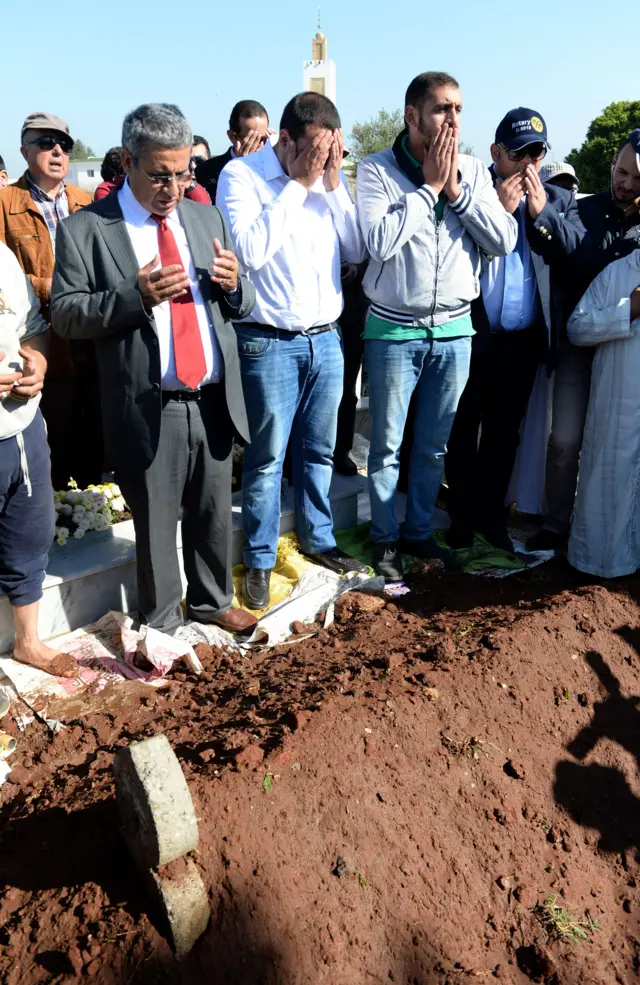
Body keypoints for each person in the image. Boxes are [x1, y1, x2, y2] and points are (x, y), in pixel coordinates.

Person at [51, 103, 258, 638]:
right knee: (157, 522)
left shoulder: (204, 216)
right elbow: (67, 314)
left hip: (211, 397)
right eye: (160, 175)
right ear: (127, 161)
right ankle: (162, 622)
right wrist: (132, 297)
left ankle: (212, 602)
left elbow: (244, 300)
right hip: (149, 403)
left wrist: (236, 286)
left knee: (214, 512)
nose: (173, 187)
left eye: (183, 172)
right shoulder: (88, 230)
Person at [356, 71, 518, 582]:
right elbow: (379, 243)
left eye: (459, 109)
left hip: (454, 329)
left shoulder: (471, 170)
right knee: (385, 445)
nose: (453, 119)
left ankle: (419, 531)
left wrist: (457, 191)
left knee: (434, 445)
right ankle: (385, 538)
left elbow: (504, 240)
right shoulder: (376, 171)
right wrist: (428, 188)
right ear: (412, 116)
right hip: (393, 330)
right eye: (442, 109)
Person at [217, 91, 367, 610]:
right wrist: (299, 186)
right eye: (316, 150)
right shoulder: (242, 177)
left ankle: (319, 540)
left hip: (326, 336)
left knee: (320, 451)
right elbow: (248, 252)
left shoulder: (326, 179)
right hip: (269, 341)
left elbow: (356, 250)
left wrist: (333, 184)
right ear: (286, 140)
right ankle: (259, 558)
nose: (324, 159)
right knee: (266, 459)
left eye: (332, 151)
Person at [445, 109, 586, 552]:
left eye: (538, 153)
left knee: (505, 436)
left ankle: (492, 518)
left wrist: (541, 216)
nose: (529, 163)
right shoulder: (472, 189)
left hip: (523, 343)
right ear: (495, 152)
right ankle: (460, 519)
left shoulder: (558, 202)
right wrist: (500, 214)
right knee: (463, 431)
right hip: (472, 334)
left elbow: (576, 257)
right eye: (519, 152)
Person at [528, 128, 640, 551]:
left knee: (621, 443)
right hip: (579, 345)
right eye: (622, 171)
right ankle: (557, 526)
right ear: (613, 161)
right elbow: (558, 248)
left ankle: (613, 532)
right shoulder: (581, 209)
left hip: (625, 350)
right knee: (566, 439)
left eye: (638, 178)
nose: (626, 183)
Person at [0, 112, 98, 490]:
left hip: (87, 342)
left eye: (64, 146)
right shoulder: (6, 204)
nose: (57, 151)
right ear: (24, 151)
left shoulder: (83, 200)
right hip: (38, 347)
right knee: (51, 445)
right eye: (46, 143)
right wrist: (51, 288)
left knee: (91, 438)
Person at [0, 241, 78, 679]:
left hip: (21, 423)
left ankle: (27, 642)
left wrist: (39, 362)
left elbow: (32, 325)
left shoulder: (3, 257)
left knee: (29, 532)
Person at [565, 246, 640, 577]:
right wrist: (629, 310)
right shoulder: (616, 274)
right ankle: (600, 566)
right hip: (618, 402)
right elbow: (576, 328)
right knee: (610, 479)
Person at [196, 100, 271, 204]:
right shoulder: (206, 171)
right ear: (232, 136)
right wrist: (241, 167)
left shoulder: (274, 167)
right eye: (252, 139)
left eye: (262, 139)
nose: (259, 145)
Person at [333, 261, 368, 476]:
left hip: (351, 305)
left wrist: (358, 265)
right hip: (305, 302)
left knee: (347, 389)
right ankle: (291, 458)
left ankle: (341, 450)